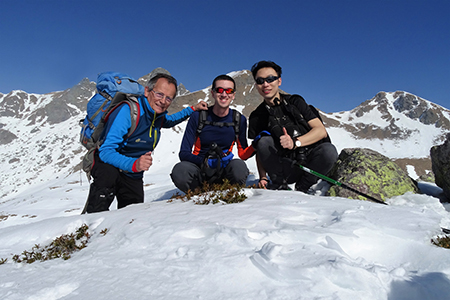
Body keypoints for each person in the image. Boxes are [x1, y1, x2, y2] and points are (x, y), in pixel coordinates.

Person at [83, 73, 207, 213]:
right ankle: (88, 229)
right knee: (104, 190)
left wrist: (193, 109)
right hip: (110, 164)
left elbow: (170, 120)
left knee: (133, 215)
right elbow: (106, 151)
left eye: (168, 98)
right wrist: (134, 164)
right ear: (147, 91)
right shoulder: (128, 111)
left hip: (132, 172)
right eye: (159, 94)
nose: (163, 101)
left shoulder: (158, 116)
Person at [248, 61, 338, 192]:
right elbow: (259, 150)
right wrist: (263, 178)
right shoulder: (257, 116)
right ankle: (279, 185)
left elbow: (320, 131)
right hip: (285, 165)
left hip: (309, 161)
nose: (265, 84)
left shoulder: (296, 102)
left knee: (328, 151)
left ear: (279, 81)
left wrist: (295, 143)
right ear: (256, 85)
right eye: (260, 81)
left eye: (270, 79)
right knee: (263, 141)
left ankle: (304, 186)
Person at [171, 74, 254, 193]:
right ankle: (198, 195)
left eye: (229, 91)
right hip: (200, 170)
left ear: (233, 95)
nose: (224, 94)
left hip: (224, 169)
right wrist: (204, 163)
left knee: (239, 167)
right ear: (213, 93)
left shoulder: (238, 120)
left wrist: (257, 145)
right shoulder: (198, 117)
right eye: (219, 90)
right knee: (180, 170)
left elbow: (243, 154)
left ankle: (228, 193)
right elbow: (184, 153)